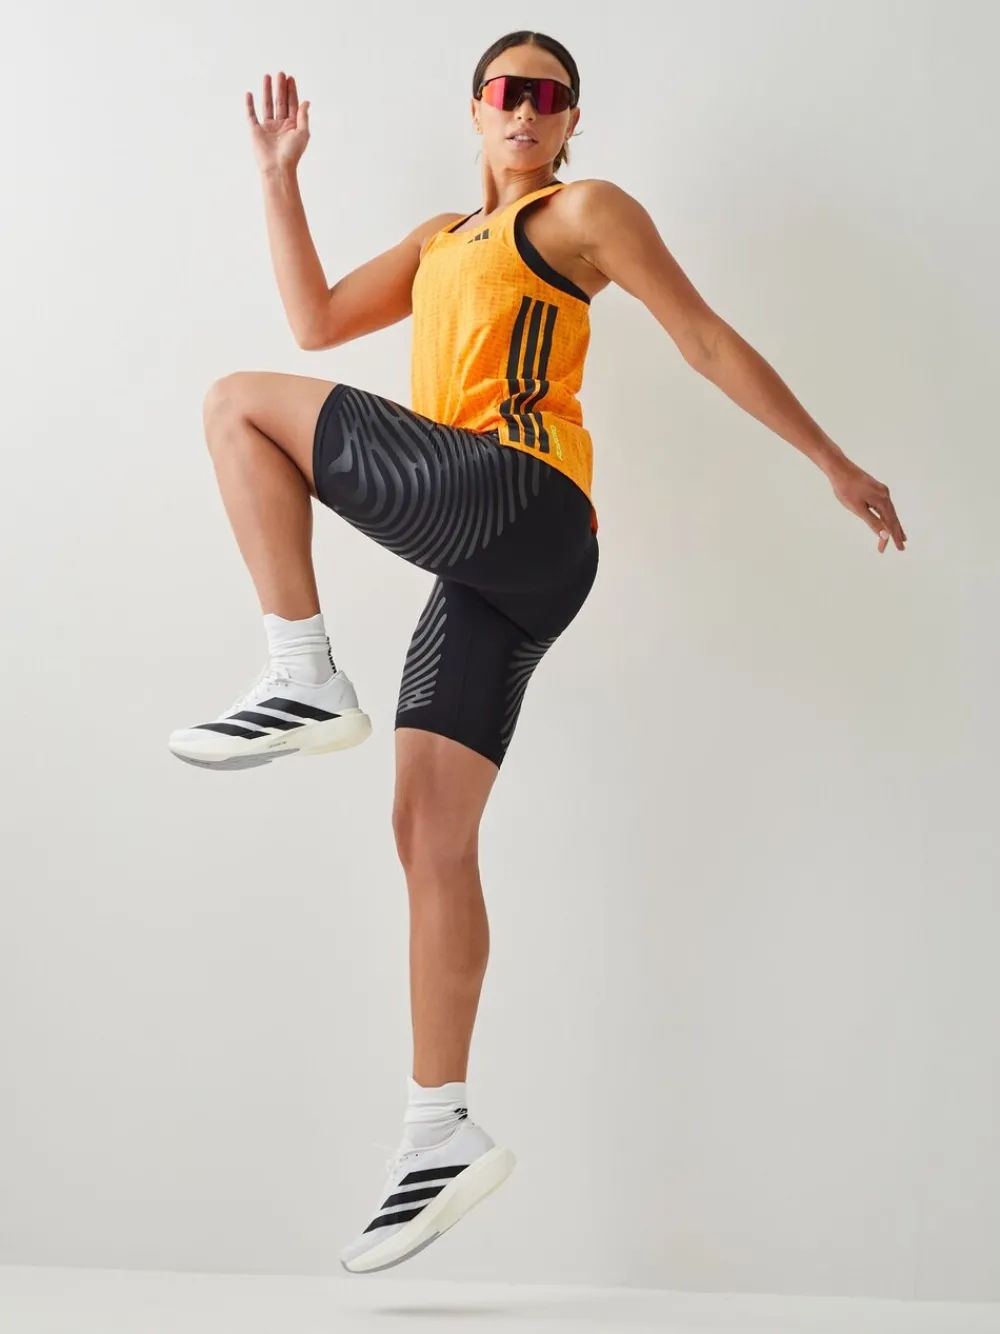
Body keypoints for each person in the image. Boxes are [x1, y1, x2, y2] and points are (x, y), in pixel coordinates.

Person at [168, 31, 907, 1273]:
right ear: (476, 109)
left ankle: (300, 667)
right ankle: (437, 1131)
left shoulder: (579, 212)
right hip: (501, 565)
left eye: (549, 96)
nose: (526, 108)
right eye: (507, 90)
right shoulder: (437, 240)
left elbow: (701, 336)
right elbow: (315, 318)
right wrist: (279, 177)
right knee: (426, 831)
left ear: (570, 123)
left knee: (238, 402)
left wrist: (830, 461)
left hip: (521, 497)